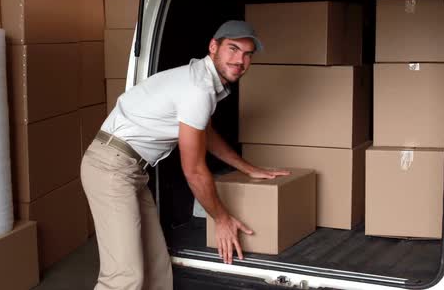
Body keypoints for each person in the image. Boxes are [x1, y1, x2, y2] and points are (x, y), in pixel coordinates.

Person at [81, 20, 290, 290]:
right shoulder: (199, 89)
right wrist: (222, 219)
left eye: (248, 54)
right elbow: (194, 170)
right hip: (110, 168)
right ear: (213, 47)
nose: (240, 60)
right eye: (233, 49)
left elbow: (206, 133)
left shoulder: (202, 80)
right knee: (123, 277)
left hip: (130, 169)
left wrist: (246, 167)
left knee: (155, 267)